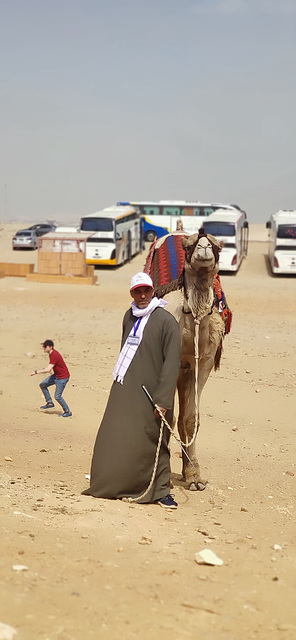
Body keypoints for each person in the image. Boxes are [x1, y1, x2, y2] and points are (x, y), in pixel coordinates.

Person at [82, 272, 181, 508]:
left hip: (154, 394)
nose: (143, 295)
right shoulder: (129, 317)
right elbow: (125, 350)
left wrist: (163, 399)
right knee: (116, 436)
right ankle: (112, 484)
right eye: (138, 291)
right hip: (126, 388)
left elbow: (172, 363)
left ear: (153, 290)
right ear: (132, 293)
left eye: (147, 290)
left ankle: (159, 491)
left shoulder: (167, 322)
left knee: (155, 440)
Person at [30, 340, 72, 417]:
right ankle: (50, 403)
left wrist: (36, 372)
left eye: (45, 347)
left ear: (50, 347)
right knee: (43, 385)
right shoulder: (51, 353)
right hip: (56, 376)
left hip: (62, 378)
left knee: (57, 396)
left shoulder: (55, 355)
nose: (44, 348)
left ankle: (67, 412)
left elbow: (48, 369)